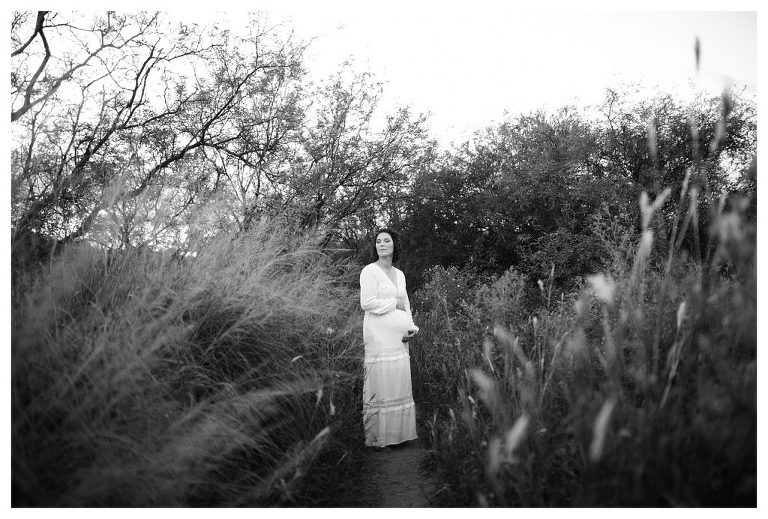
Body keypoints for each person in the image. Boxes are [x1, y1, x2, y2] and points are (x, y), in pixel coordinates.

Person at [359, 229, 420, 448]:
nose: (382, 244)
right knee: (382, 381)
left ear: (395, 245)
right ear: (375, 247)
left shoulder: (400, 274)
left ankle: (399, 436)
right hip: (378, 334)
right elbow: (367, 303)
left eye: (387, 240)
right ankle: (379, 439)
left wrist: (411, 326)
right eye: (378, 241)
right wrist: (393, 305)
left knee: (397, 381)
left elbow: (406, 303)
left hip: (399, 338)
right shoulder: (369, 271)